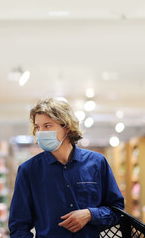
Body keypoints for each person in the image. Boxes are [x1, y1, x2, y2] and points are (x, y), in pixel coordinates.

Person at [9, 98, 125, 238]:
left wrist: (90, 214)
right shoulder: (29, 170)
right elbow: (18, 226)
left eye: (47, 126)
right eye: (37, 127)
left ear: (67, 127)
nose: (40, 133)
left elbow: (117, 210)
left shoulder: (97, 163)